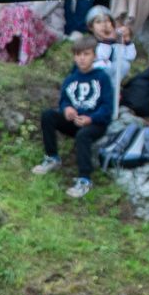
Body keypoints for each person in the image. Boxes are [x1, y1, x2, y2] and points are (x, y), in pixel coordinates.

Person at [34, 34, 114, 197]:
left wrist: (91, 119)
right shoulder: (71, 79)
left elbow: (107, 107)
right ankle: (52, 157)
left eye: (86, 54)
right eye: (78, 54)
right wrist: (67, 109)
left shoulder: (102, 78)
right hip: (75, 121)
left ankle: (85, 179)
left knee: (83, 135)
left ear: (94, 56)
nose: (82, 58)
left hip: (95, 124)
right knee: (48, 115)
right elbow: (64, 100)